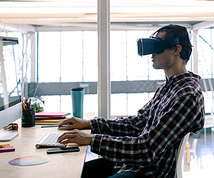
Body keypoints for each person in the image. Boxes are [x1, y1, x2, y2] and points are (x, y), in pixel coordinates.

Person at [57, 24, 205, 178]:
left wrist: (92, 140)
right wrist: (90, 124)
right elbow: (136, 125)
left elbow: (147, 148)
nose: (151, 53)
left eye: (157, 46)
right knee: (70, 171)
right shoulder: (167, 88)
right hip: (130, 165)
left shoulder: (187, 95)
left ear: (176, 50)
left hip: (148, 172)